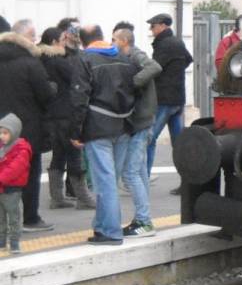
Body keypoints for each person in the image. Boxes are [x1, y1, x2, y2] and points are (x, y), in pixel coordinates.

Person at [70, 25, 141, 245]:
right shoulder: (124, 58)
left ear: (83, 42)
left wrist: (76, 132)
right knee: (110, 180)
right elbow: (135, 91)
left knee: (105, 183)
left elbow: (79, 98)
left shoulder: (84, 60)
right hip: (123, 127)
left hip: (97, 127)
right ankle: (101, 227)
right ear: (102, 37)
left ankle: (111, 232)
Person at [0, 21, 55, 233]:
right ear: (27, 37)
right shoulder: (30, 63)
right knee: (29, 171)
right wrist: (53, 86)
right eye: (34, 37)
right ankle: (30, 218)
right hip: (27, 128)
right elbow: (46, 95)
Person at [112, 24, 161, 236]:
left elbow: (155, 67)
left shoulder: (135, 54)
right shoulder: (128, 58)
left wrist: (133, 83)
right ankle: (143, 218)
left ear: (124, 41)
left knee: (130, 174)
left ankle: (144, 221)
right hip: (142, 122)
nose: (111, 43)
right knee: (139, 172)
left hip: (141, 123)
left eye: (114, 40)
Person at [39, 28, 96, 209]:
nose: (65, 41)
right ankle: (83, 198)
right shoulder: (59, 62)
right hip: (65, 114)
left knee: (58, 155)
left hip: (51, 115)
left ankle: (57, 198)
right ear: (55, 42)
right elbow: (77, 78)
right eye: (63, 38)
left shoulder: (41, 59)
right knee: (74, 154)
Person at [146, 13, 193, 178]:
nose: (151, 29)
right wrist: (175, 72)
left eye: (153, 26)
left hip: (164, 99)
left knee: (149, 140)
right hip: (178, 99)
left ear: (162, 26)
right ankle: (188, 182)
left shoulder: (164, 44)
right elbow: (188, 59)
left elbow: (155, 68)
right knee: (179, 144)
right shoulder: (178, 42)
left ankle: (143, 177)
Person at [0, 113, 31, 255]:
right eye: (0, 132)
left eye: (5, 133)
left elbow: (14, 169)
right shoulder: (1, 147)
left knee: (14, 216)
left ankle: (14, 242)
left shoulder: (22, 149)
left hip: (12, 189)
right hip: (1, 188)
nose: (2, 136)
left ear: (14, 132)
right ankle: (1, 240)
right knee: (0, 217)